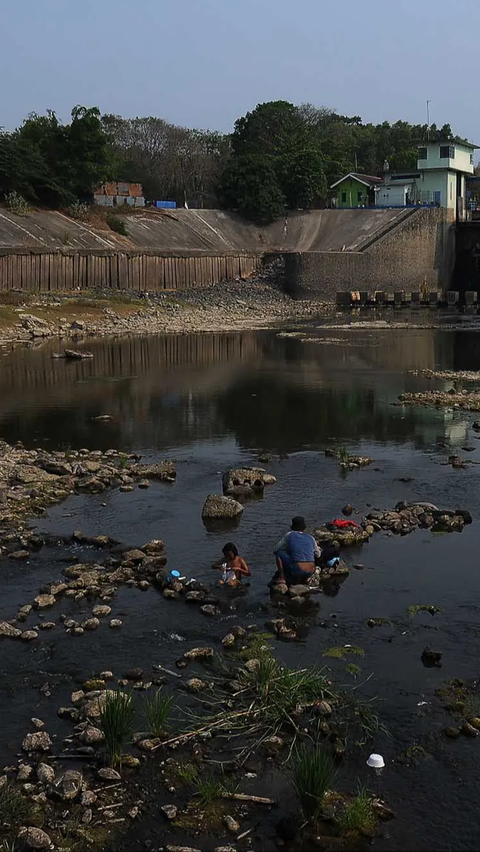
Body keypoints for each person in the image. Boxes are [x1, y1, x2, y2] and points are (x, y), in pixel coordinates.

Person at [272, 516, 321, 586]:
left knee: (279, 553)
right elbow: (318, 554)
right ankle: (307, 577)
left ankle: (282, 578)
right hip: (311, 570)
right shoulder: (311, 537)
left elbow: (276, 549)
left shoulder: (289, 535)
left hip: (298, 570)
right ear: (304, 528)